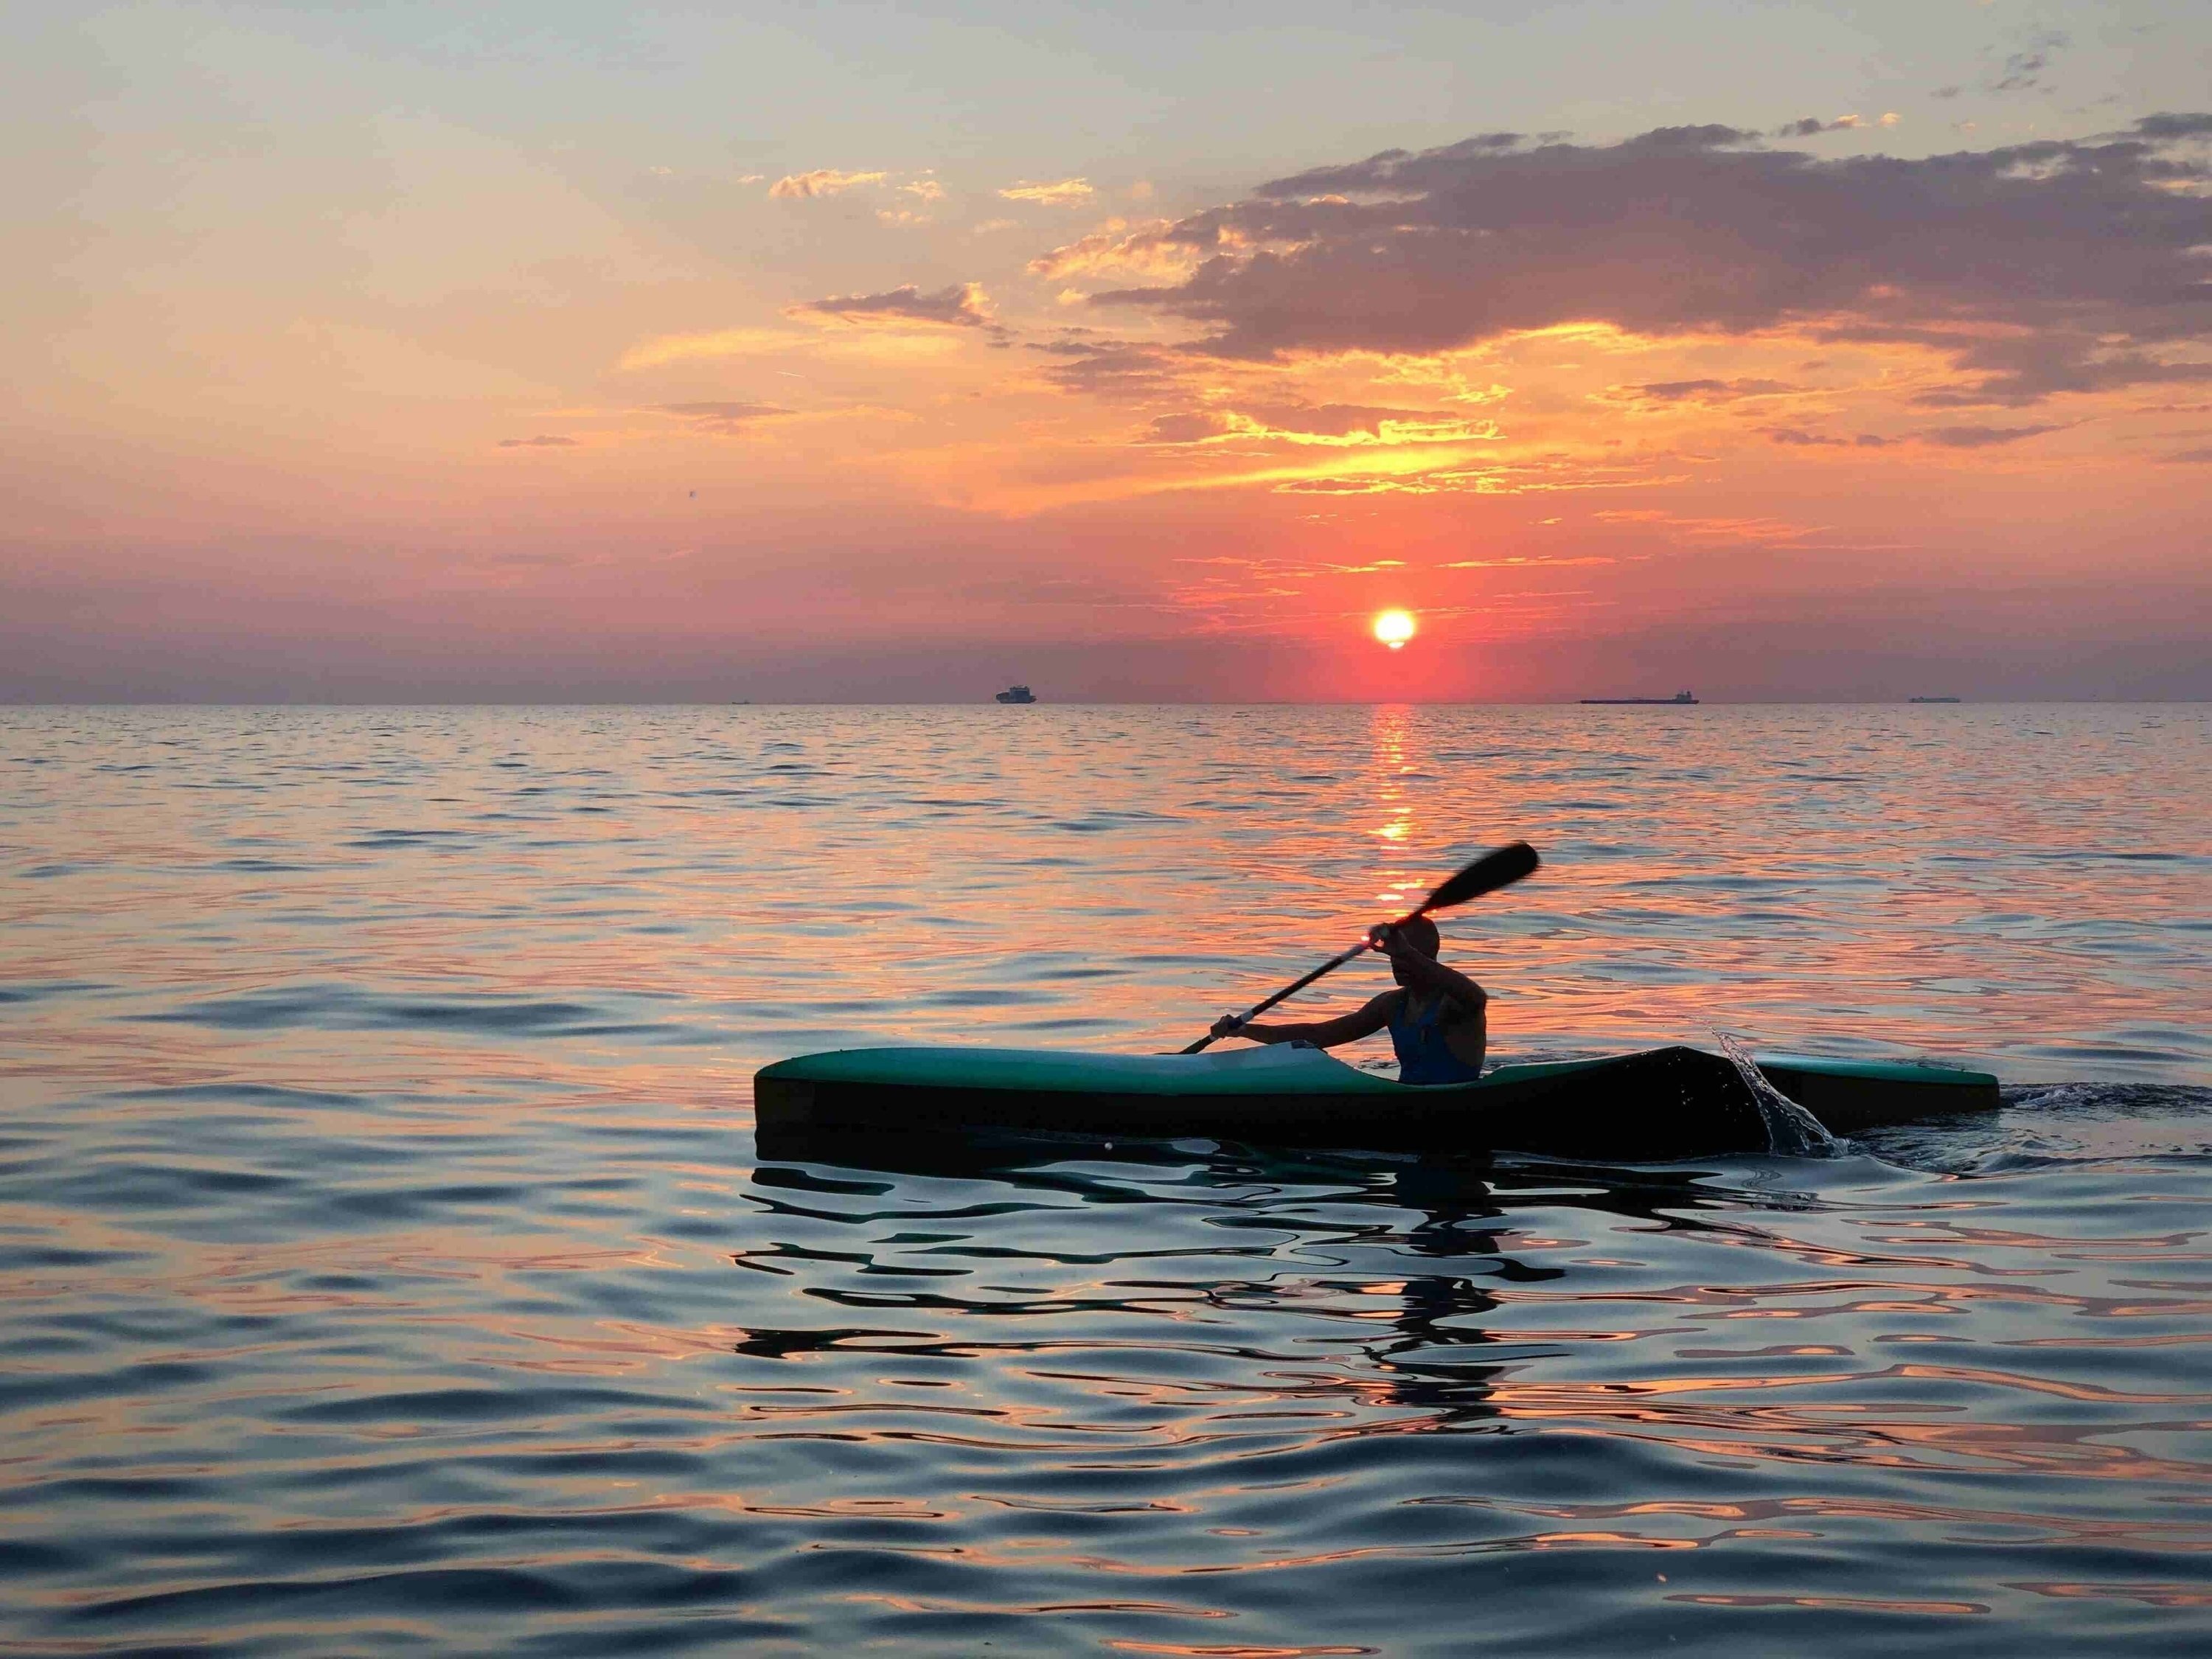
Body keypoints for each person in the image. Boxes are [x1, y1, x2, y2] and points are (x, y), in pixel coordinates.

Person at [1208, 915, 1488, 1084]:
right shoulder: (1391, 1005)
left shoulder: (1455, 1003)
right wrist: (1246, 1030)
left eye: (1406, 955)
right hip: (1409, 1098)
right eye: (1393, 956)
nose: (1397, 962)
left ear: (1428, 956)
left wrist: (1406, 952)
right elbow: (1319, 1034)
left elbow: (1477, 997)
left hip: (1455, 1101)